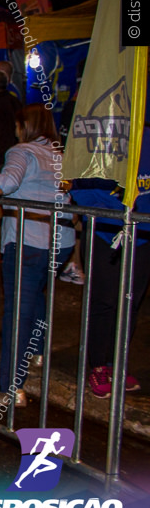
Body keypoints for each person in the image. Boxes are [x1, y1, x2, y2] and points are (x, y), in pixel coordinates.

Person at [0, 106, 76, 407]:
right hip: (61, 241)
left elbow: (7, 183)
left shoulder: (22, 152)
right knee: (37, 295)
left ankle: (11, 387)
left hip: (28, 240)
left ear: (23, 126)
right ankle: (38, 351)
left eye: (18, 126)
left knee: (17, 310)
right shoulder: (61, 155)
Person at [70, 127, 150, 398]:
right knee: (104, 301)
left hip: (143, 236)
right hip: (106, 233)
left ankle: (118, 364)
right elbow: (81, 188)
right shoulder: (103, 135)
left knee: (130, 304)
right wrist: (121, 214)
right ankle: (99, 365)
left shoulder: (146, 137)